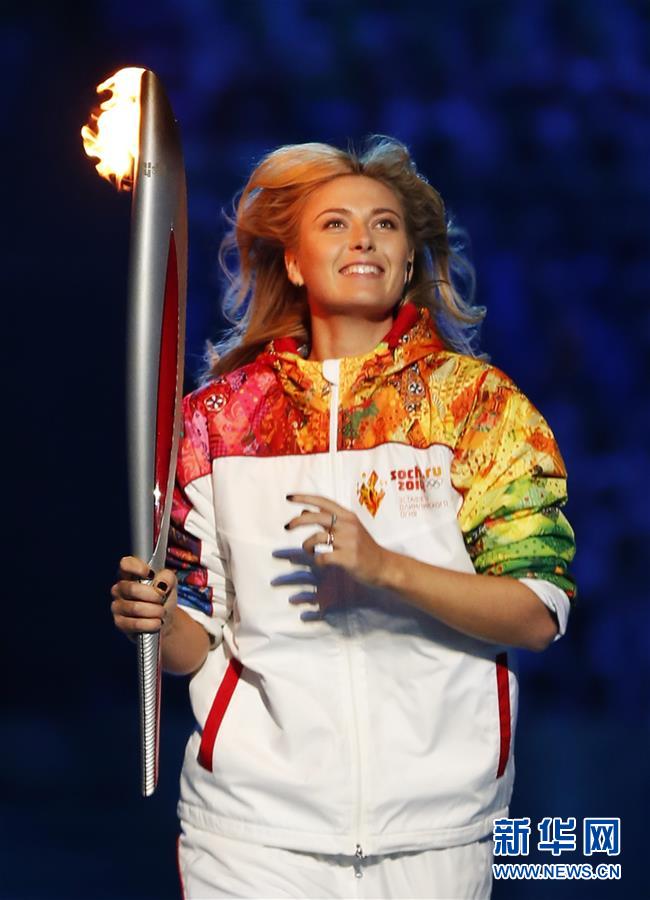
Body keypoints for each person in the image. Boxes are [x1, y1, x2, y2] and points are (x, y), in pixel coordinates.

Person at [111, 137, 576, 899]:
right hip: (252, 834)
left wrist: (386, 569)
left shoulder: (478, 407)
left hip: (434, 835)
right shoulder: (217, 422)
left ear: (407, 258)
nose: (363, 239)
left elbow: (536, 614)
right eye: (335, 224)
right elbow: (196, 641)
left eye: (384, 224)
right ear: (294, 262)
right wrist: (157, 622)